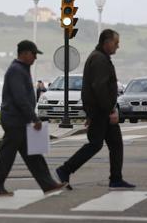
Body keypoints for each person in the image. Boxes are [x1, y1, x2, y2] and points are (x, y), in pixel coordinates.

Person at [55, 29, 136, 190]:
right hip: (102, 112)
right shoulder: (99, 59)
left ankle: (116, 178)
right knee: (96, 144)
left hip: (99, 111)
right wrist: (110, 111)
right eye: (116, 43)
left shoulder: (99, 57)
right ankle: (65, 169)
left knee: (113, 144)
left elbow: (93, 89)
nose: (117, 46)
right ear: (106, 42)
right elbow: (99, 88)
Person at [0, 40, 65, 196]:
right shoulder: (16, 70)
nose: (35, 58)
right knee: (7, 156)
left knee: (34, 155)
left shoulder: (21, 69)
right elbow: (20, 98)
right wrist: (34, 118)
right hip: (15, 120)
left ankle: (48, 184)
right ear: (24, 53)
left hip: (20, 120)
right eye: (34, 54)